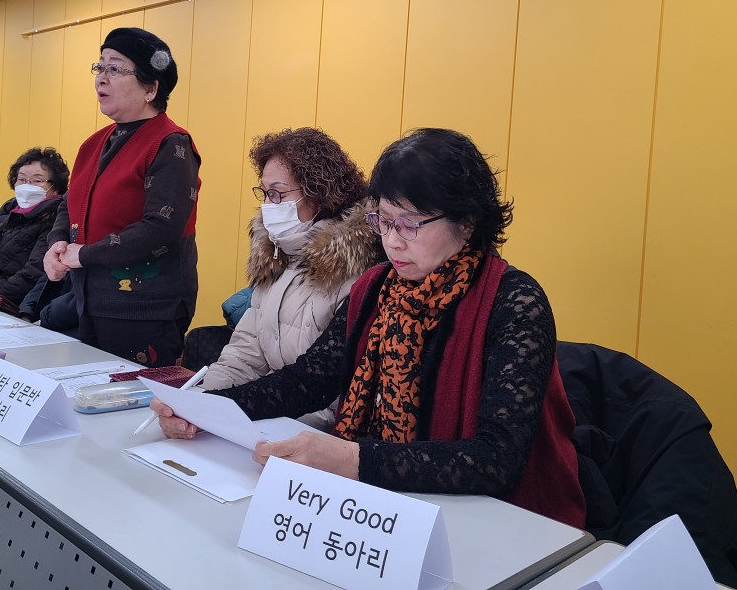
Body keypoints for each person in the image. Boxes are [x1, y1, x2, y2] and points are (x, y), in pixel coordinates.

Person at [154, 128, 587, 528]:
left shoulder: (513, 301)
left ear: (467, 221)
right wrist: (203, 409)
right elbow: (308, 380)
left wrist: (354, 459)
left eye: (410, 224)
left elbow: (497, 459)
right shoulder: (377, 287)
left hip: (508, 522)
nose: (392, 241)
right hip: (391, 510)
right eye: (383, 220)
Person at [199, 128, 382, 428]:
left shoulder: (357, 271)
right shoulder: (275, 256)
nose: (267, 205)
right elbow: (243, 355)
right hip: (265, 418)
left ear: (318, 194)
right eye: (264, 193)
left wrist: (237, 419)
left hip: (313, 432)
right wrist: (201, 406)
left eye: (277, 194)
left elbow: (331, 394)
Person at [44, 27, 201, 366]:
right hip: (88, 298)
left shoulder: (170, 144)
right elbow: (70, 204)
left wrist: (85, 254)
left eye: (115, 68)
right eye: (99, 67)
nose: (101, 77)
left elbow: (161, 228)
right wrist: (57, 245)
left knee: (129, 394)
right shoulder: (93, 143)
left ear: (151, 89)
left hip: (144, 308)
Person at [0, 147, 69, 306]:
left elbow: (32, 276)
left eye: (37, 181)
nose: (27, 185)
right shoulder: (10, 214)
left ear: (55, 187)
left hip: (15, 301)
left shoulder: (56, 219)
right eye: (21, 179)